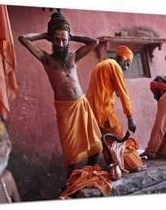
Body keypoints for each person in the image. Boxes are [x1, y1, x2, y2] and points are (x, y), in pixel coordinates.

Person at [19, 12, 103, 175]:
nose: (61, 43)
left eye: (64, 40)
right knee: (71, 151)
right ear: (52, 40)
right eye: (57, 39)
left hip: (82, 105)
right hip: (65, 109)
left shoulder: (74, 57)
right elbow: (23, 38)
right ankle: (72, 181)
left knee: (95, 146)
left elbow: (95, 42)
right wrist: (45, 35)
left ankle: (90, 175)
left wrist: (72, 36)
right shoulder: (46, 59)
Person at [86, 45, 136, 139]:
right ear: (122, 59)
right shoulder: (114, 65)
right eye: (127, 64)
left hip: (91, 112)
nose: (126, 68)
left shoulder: (102, 65)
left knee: (105, 143)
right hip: (104, 112)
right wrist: (130, 118)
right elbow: (123, 93)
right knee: (119, 141)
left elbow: (108, 88)